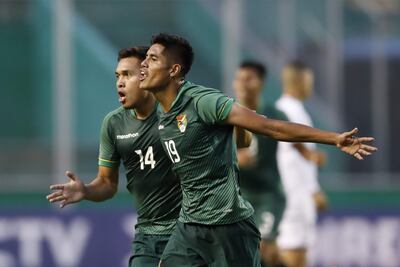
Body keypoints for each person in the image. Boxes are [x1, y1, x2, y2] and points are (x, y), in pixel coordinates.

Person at [139, 33, 377, 267]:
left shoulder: (202, 102)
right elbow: (238, 142)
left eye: (153, 58)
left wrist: (334, 138)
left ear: (174, 70)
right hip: (190, 224)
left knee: (271, 256)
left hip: (228, 225)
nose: (144, 63)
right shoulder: (162, 110)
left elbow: (270, 127)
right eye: (145, 58)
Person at [46, 46, 183, 267]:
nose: (119, 82)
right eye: (117, 76)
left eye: (127, 75)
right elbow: (107, 183)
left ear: (146, 74)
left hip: (188, 229)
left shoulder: (176, 113)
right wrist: (86, 190)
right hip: (147, 234)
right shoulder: (114, 124)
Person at [233, 60, 287, 267]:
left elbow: (294, 139)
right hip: (237, 197)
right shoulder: (224, 114)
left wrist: (309, 154)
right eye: (239, 79)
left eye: (249, 79)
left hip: (268, 194)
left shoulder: (274, 115)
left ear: (261, 83)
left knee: (265, 250)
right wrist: (236, 157)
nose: (243, 84)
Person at [276, 61, 329, 267]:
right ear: (299, 81)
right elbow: (294, 156)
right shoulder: (291, 111)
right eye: (309, 81)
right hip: (294, 194)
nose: (310, 86)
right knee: (294, 253)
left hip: (291, 193)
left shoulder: (288, 109)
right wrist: (312, 189)